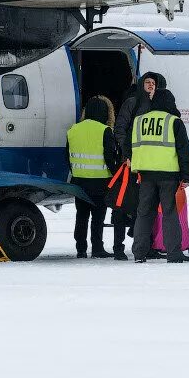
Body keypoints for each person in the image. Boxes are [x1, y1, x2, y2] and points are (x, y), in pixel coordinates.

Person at [129, 88, 189, 263]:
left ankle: (139, 254)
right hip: (168, 175)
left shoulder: (139, 121)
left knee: (144, 214)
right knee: (170, 214)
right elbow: (183, 151)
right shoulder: (174, 122)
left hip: (146, 176)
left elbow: (133, 146)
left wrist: (137, 169)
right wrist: (186, 176)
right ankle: (174, 254)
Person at [113, 71, 166, 258]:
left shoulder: (160, 105)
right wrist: (128, 155)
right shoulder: (132, 103)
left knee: (147, 206)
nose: (151, 85)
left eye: (154, 83)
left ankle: (146, 246)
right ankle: (118, 248)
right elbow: (119, 129)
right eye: (148, 82)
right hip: (130, 164)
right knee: (121, 205)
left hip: (150, 165)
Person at [67, 96, 120, 258]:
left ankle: (81, 249)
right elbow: (109, 157)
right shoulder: (105, 131)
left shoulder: (73, 130)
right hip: (100, 182)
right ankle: (97, 248)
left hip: (79, 182)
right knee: (97, 217)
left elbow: (67, 156)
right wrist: (116, 174)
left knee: (81, 216)